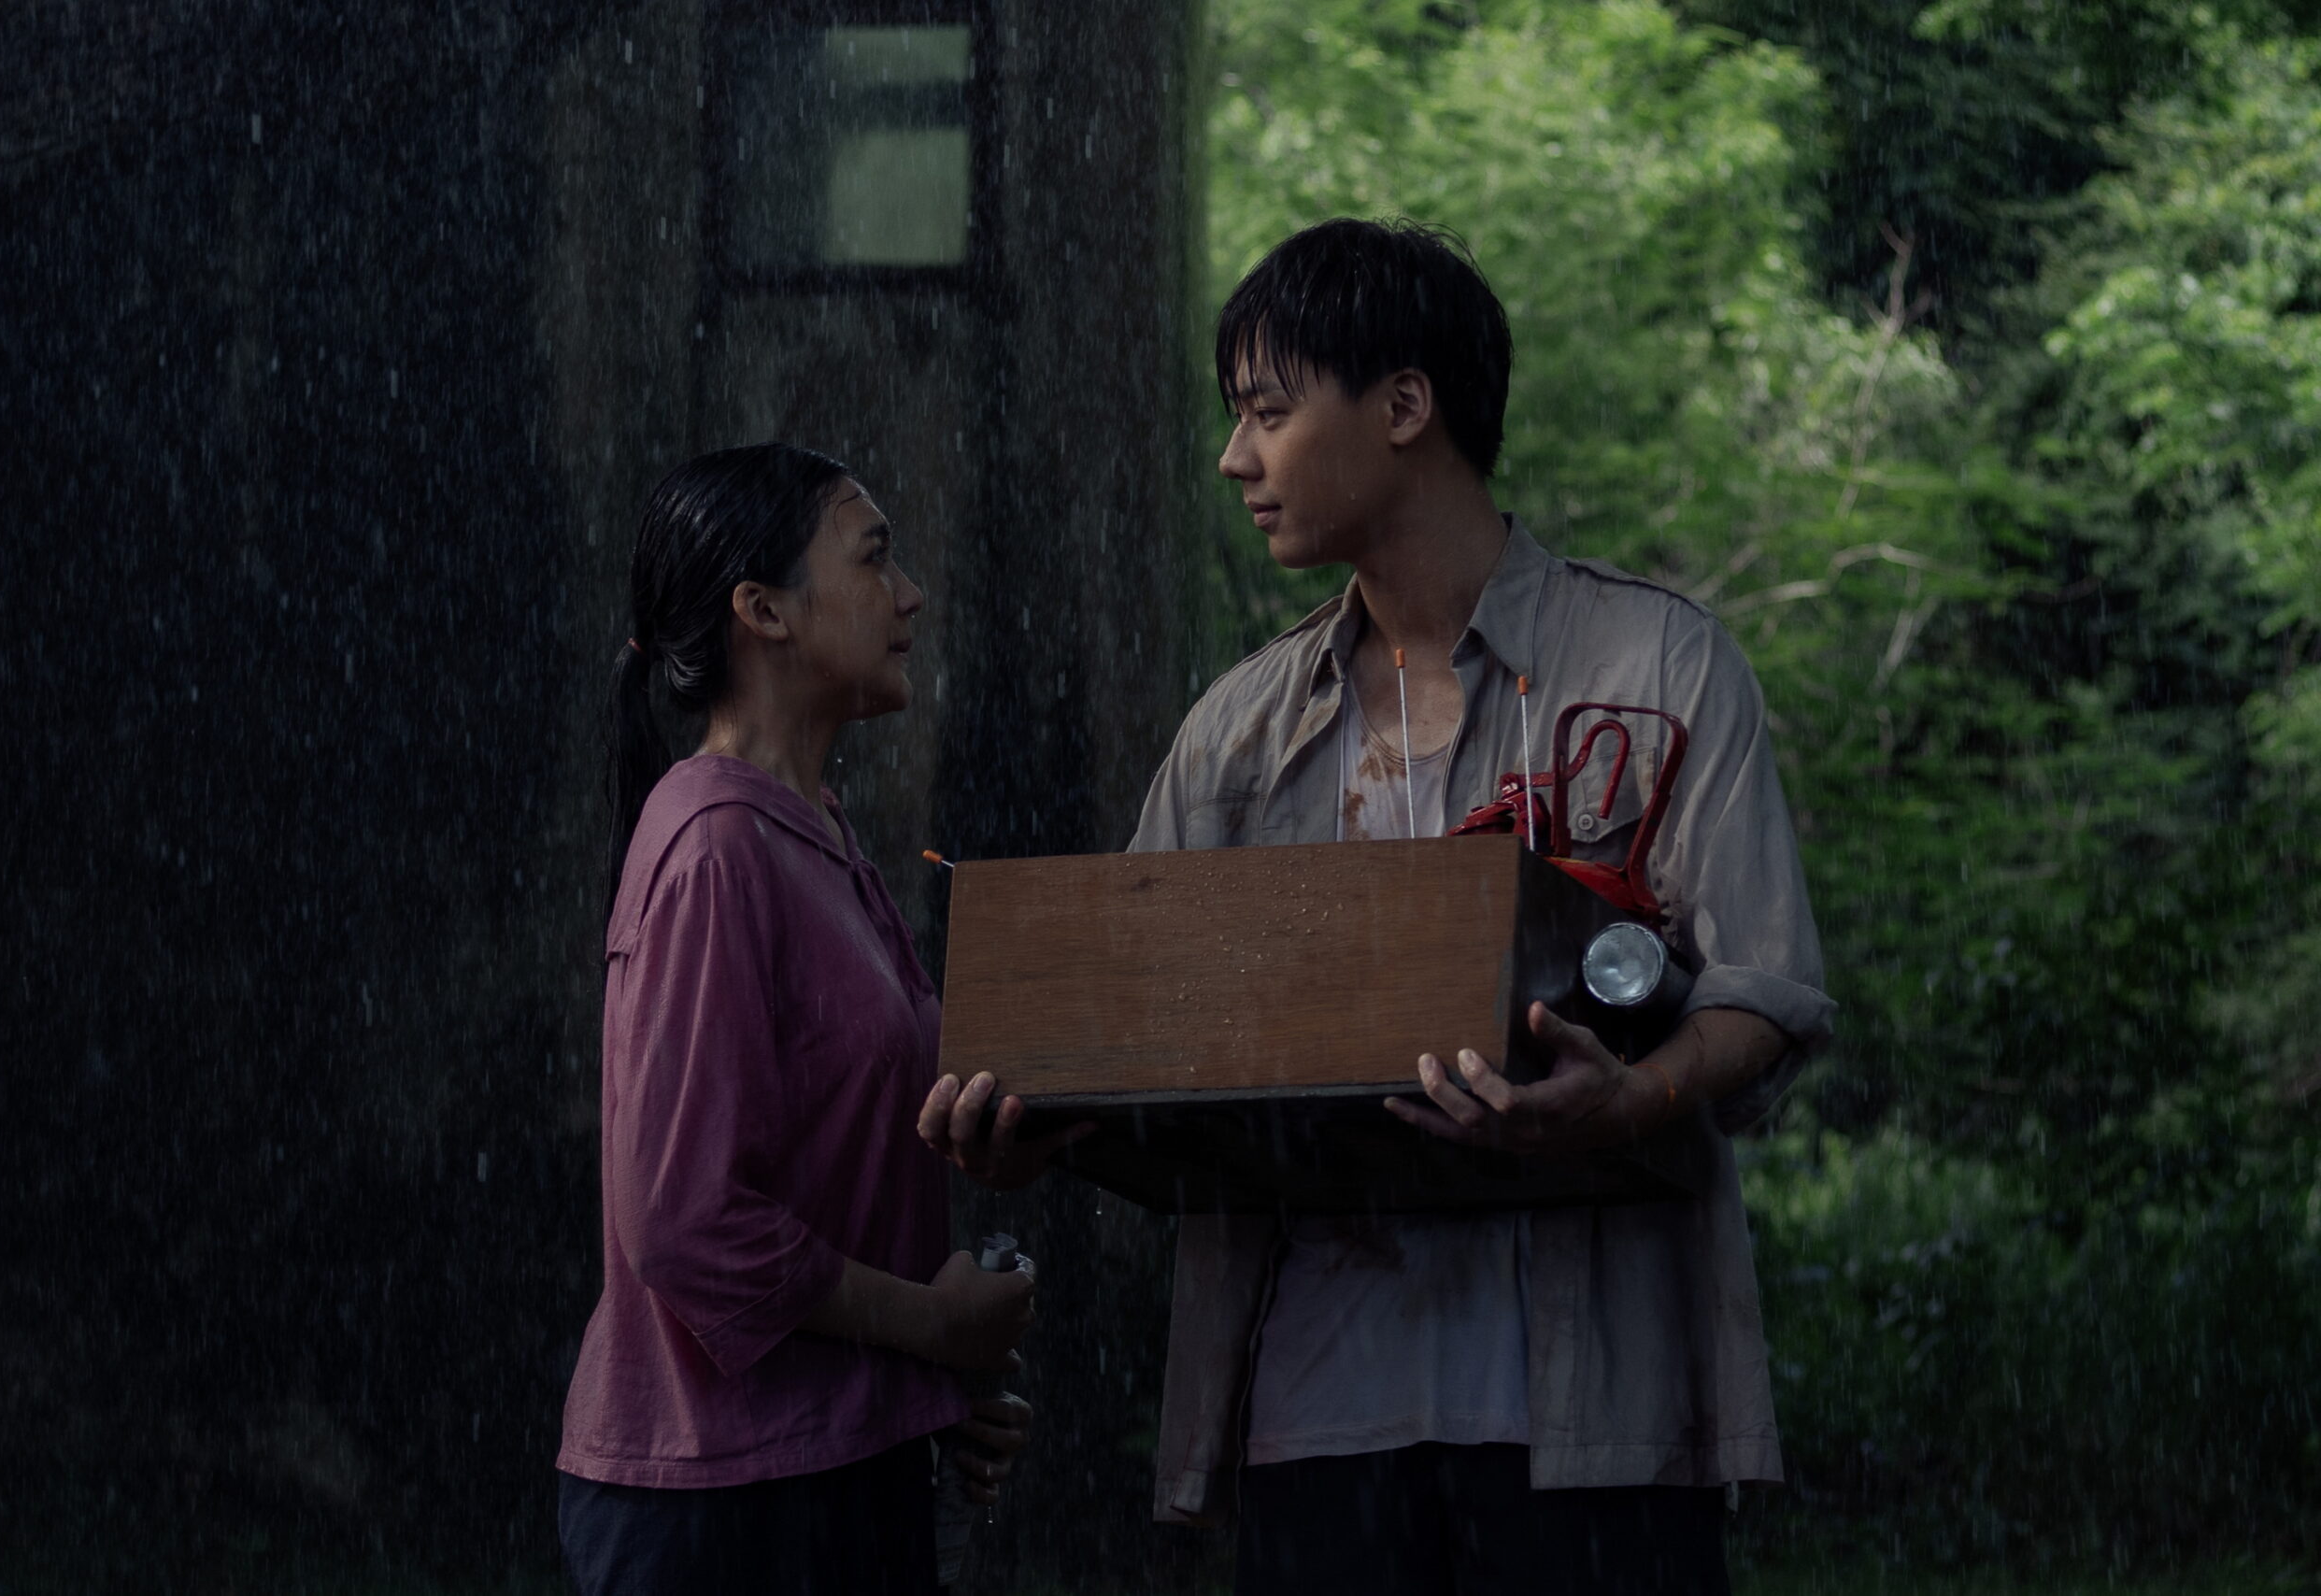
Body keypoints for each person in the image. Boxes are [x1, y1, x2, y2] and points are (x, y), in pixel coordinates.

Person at [924, 219, 1835, 1595]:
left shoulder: (1661, 665)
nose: (1234, 459)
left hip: (1596, 1408)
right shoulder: (1237, 730)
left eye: (1267, 413)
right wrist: (1037, 1122)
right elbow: (1135, 1025)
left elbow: (1762, 988)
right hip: (1316, 1411)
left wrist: (1632, 1099)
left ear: (1405, 405)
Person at [557, 445, 1037, 1596]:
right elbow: (684, 1220)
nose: (910, 594)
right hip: (727, 1506)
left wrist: (930, 1391)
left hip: (829, 1474)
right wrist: (932, 1329)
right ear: (762, 610)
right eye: (874, 559)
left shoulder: (817, 833)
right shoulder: (715, 847)